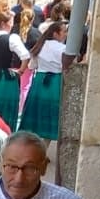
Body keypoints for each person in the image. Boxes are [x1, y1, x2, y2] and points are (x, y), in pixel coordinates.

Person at [16, 18, 70, 161]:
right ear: (56, 34)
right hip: (55, 83)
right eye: (64, 32)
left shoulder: (40, 45)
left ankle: (32, 150)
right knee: (50, 117)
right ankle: (42, 152)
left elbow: (32, 66)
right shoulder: (63, 49)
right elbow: (69, 66)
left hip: (39, 82)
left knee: (36, 117)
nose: (66, 34)